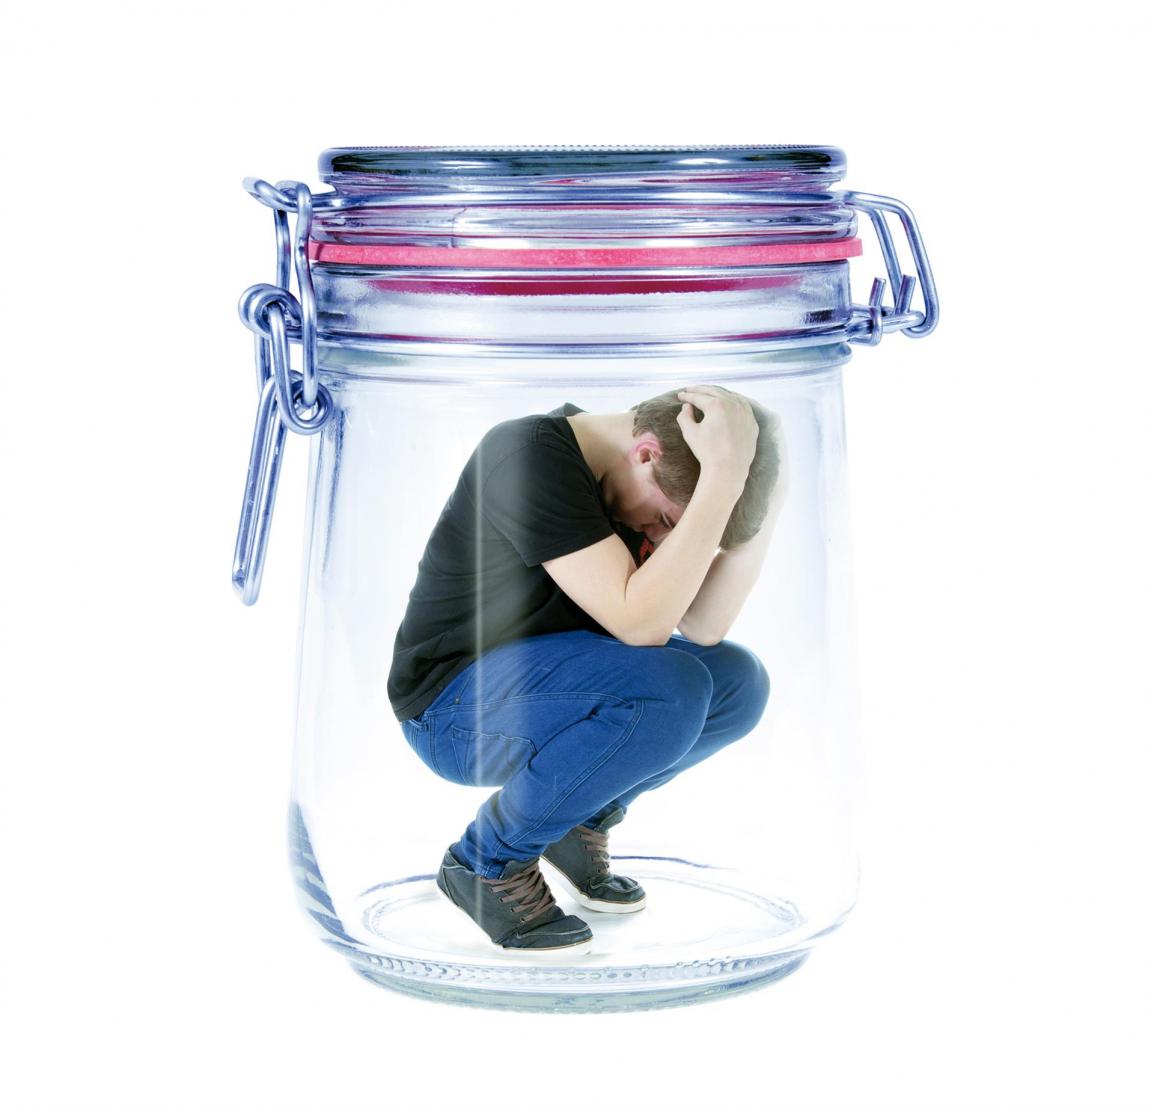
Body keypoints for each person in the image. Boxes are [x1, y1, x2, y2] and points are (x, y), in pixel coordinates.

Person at [388, 384, 787, 955]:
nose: (664, 538)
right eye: (668, 520)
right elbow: (642, 626)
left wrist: (758, 494)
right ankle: (486, 862)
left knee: (737, 684)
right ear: (645, 454)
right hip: (453, 712)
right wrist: (719, 480)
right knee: (668, 690)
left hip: (555, 689)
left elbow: (702, 624)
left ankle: (577, 821)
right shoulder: (526, 455)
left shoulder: (634, 486)